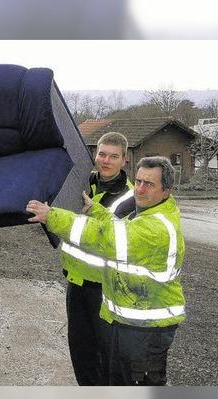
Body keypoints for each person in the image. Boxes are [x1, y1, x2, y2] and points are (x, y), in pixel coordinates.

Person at [26, 156, 185, 385]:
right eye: (138, 181)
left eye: (149, 184)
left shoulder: (156, 227)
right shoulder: (147, 213)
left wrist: (52, 216)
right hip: (132, 323)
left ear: (166, 191)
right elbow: (117, 227)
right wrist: (95, 210)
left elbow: (105, 238)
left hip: (148, 330)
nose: (139, 189)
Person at [60, 132, 135, 385]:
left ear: (124, 159)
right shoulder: (81, 182)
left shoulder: (130, 198)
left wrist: (95, 212)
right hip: (76, 283)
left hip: (106, 290)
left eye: (113, 156)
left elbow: (118, 240)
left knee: (107, 358)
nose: (106, 160)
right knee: (81, 353)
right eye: (102, 154)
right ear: (95, 154)